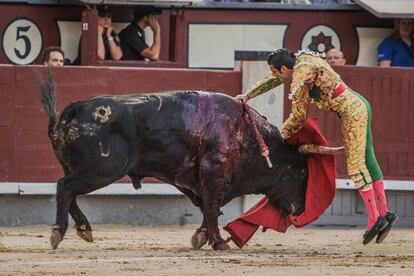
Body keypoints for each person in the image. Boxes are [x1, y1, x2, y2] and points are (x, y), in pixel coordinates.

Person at [236, 48, 398, 245]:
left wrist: (281, 136)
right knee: (369, 159)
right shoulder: (301, 60)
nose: (276, 76)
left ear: (286, 68)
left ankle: (375, 219)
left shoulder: (299, 79)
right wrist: (249, 95)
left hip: (351, 113)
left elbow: (298, 116)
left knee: (357, 166)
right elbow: (276, 80)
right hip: (360, 103)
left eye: (276, 71)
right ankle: (385, 212)